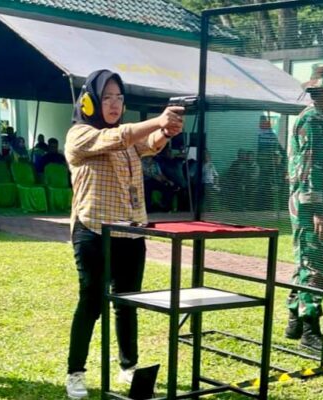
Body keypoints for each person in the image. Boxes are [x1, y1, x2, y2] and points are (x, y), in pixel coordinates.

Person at [64, 69, 184, 399]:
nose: (114, 104)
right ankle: (75, 372)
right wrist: (158, 120)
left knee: (127, 303)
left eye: (119, 97)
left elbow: (147, 145)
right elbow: (120, 138)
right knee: (91, 303)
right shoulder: (79, 134)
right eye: (106, 97)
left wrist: (166, 131)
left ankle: (128, 367)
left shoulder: (126, 138)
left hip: (131, 232)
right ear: (89, 102)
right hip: (93, 231)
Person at [284, 61, 323, 351]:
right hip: (312, 207)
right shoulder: (312, 122)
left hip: (313, 204)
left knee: (305, 261)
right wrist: (319, 211)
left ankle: (295, 320)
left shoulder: (317, 120)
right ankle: (310, 330)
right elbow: (309, 170)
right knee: (314, 264)